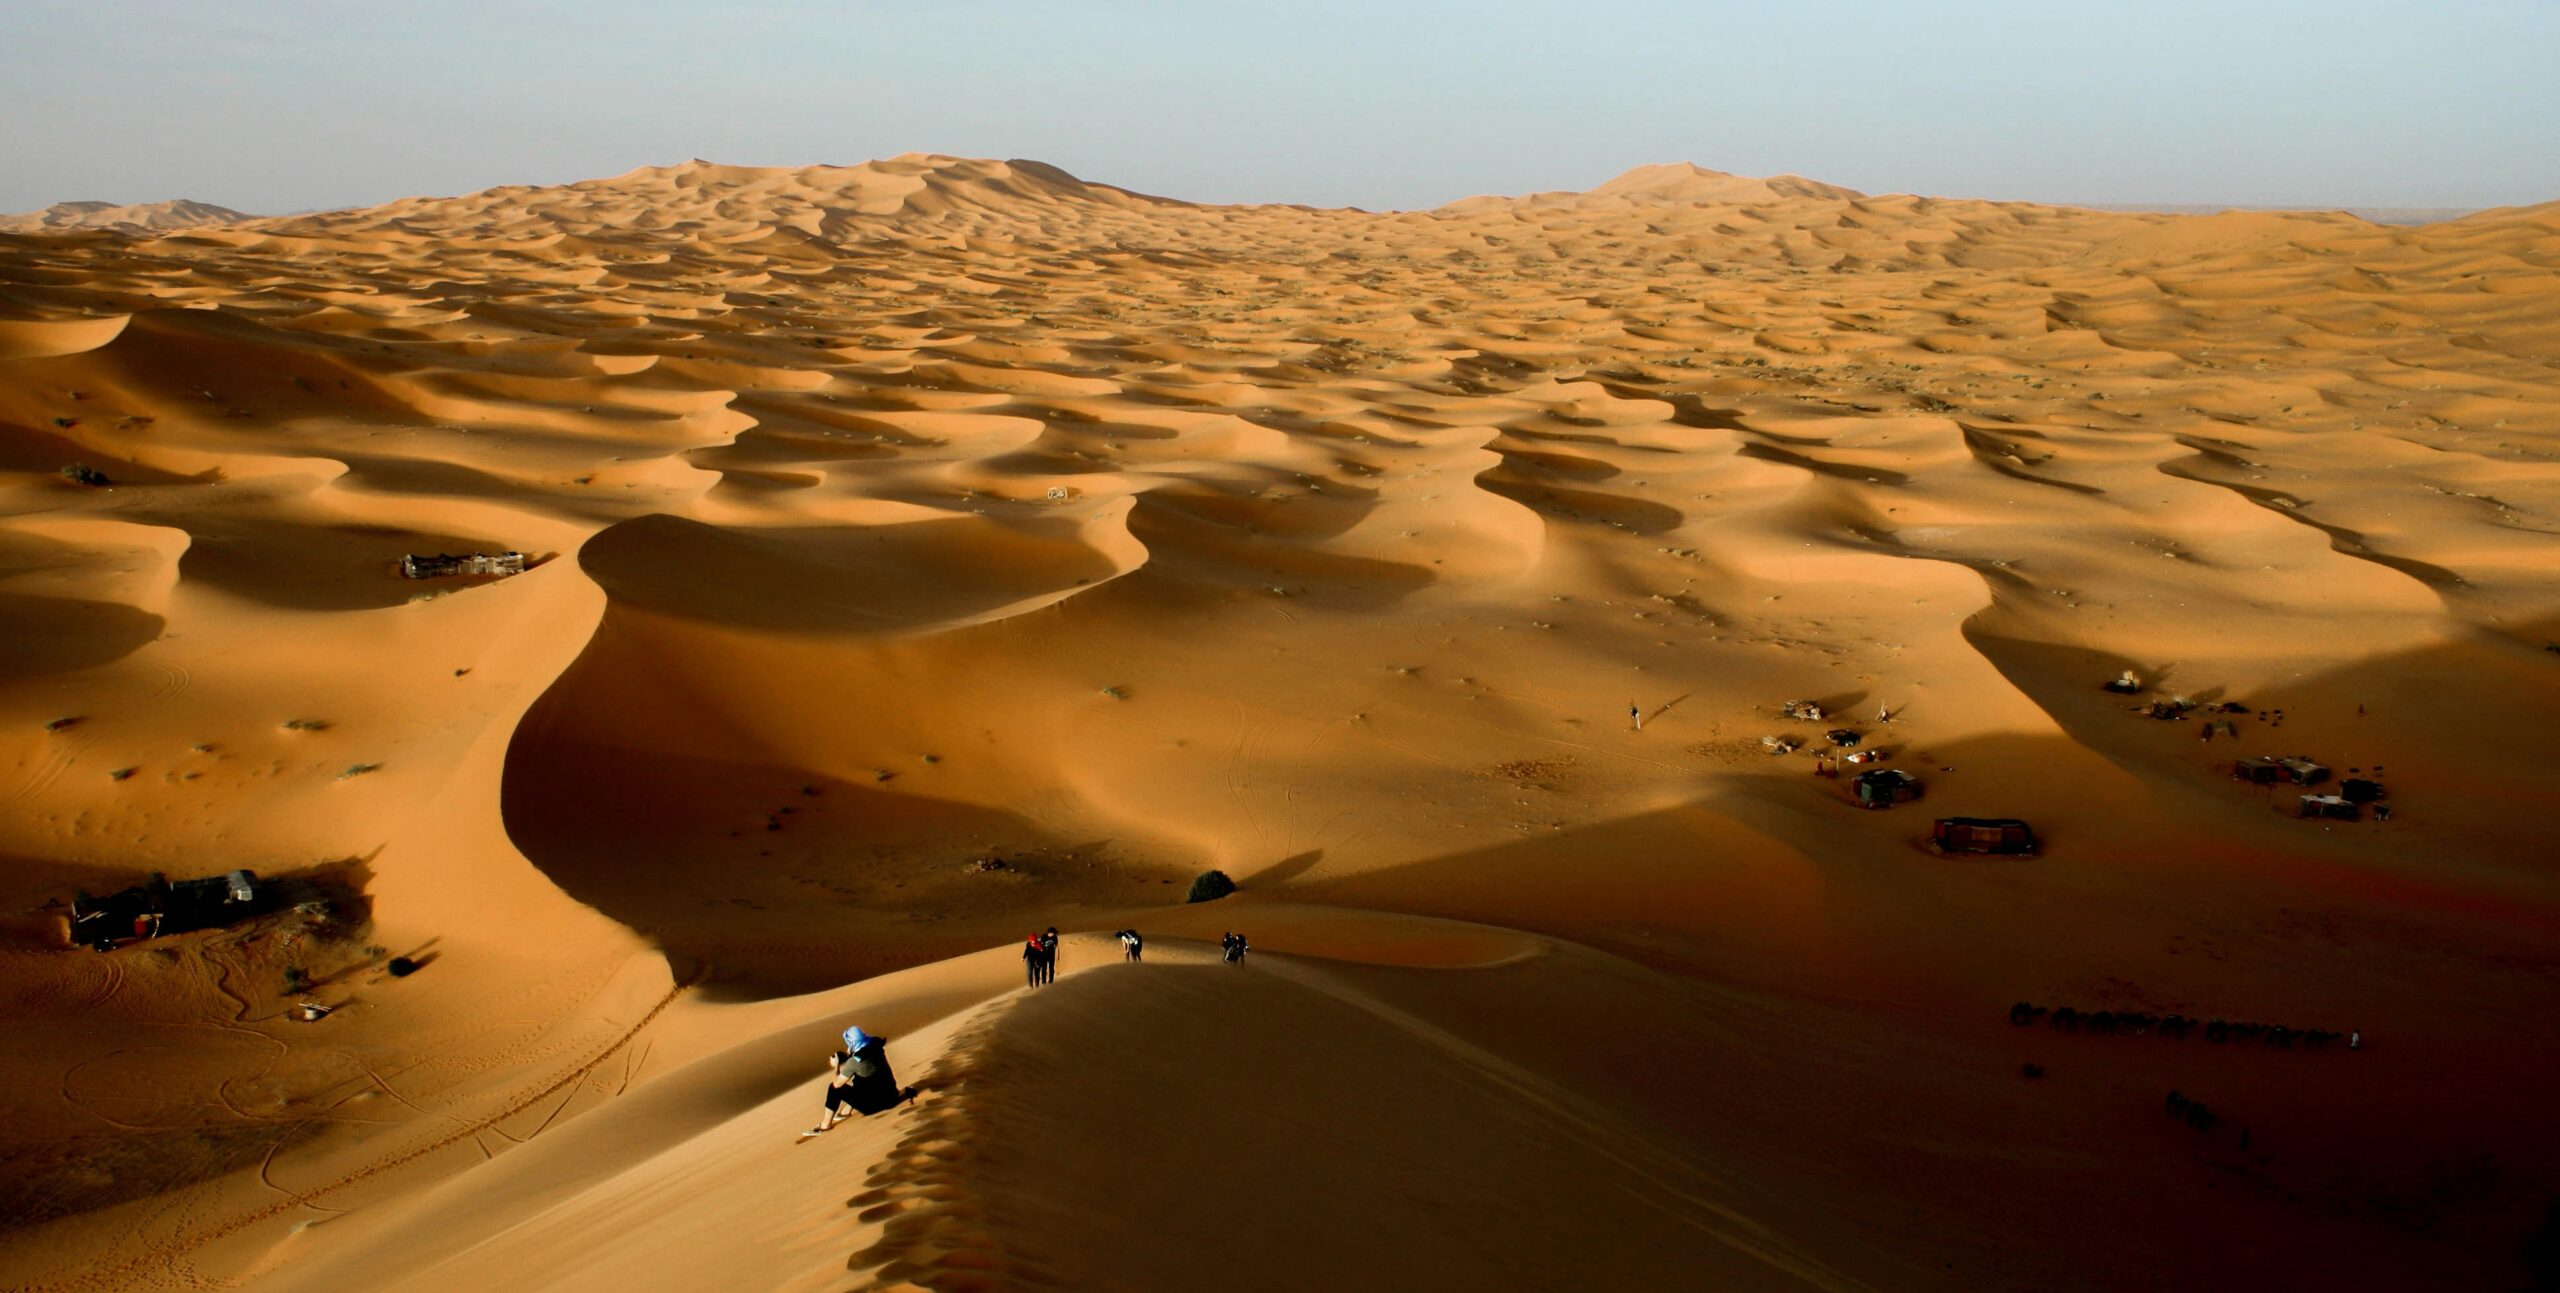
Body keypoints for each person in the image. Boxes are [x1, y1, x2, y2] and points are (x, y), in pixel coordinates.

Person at [808, 1025, 907, 1135]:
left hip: (874, 1107)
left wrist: (836, 1066)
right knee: (862, 1079)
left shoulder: (855, 1061)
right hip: (892, 1096)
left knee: (833, 1089)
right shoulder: (876, 1045)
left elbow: (837, 1084)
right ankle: (846, 1111)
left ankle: (825, 1125)